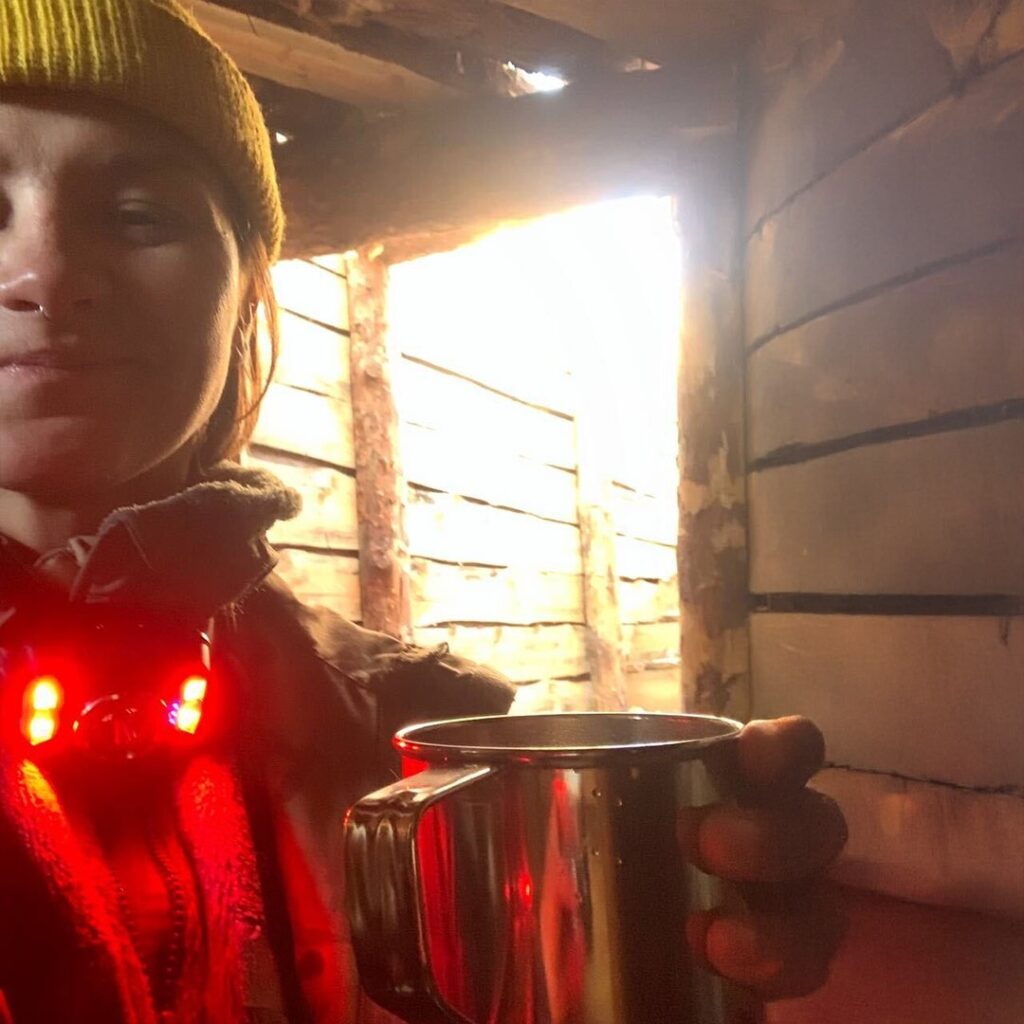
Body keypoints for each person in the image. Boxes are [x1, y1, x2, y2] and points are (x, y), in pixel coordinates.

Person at [0, 1, 848, 1021]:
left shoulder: (429, 753)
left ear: (245, 292)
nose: (49, 276)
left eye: (141, 216)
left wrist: (685, 925)